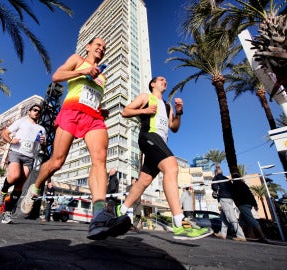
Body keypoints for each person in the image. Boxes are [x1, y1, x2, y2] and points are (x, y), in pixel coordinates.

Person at [20, 37, 131, 240]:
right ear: (88, 46)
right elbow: (57, 76)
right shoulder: (78, 60)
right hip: (71, 112)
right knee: (57, 162)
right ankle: (35, 189)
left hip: (93, 118)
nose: (101, 48)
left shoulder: (102, 76)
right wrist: (82, 71)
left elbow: (91, 96)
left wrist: (100, 109)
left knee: (100, 160)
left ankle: (98, 215)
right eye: (98, 44)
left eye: (104, 47)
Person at [116, 76, 212, 240]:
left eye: (166, 80)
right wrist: (144, 111)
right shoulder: (146, 97)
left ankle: (121, 210)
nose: (165, 81)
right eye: (161, 79)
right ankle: (179, 223)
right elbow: (126, 111)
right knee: (172, 167)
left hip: (159, 142)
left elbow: (173, 127)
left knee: (144, 181)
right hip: (148, 136)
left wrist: (179, 112)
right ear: (153, 84)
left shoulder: (167, 106)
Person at [0, 104, 46, 224]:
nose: (37, 112)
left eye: (39, 111)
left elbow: (43, 147)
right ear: (29, 111)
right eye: (35, 110)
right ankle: (3, 192)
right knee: (14, 176)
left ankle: (7, 213)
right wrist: (11, 140)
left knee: (19, 186)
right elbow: (4, 133)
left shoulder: (41, 129)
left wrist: (43, 143)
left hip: (30, 157)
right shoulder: (21, 122)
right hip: (17, 152)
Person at [231, 173, 268, 243]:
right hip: (248, 204)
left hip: (243, 205)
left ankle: (263, 236)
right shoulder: (244, 185)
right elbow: (250, 194)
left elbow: (234, 194)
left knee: (251, 220)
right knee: (242, 221)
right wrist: (255, 204)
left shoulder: (235, 186)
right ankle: (241, 236)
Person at [212, 168, 246, 241]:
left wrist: (216, 193)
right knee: (223, 216)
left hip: (224, 198)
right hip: (230, 198)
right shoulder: (227, 179)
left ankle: (241, 235)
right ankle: (223, 233)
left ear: (215, 173)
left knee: (231, 217)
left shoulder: (216, 177)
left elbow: (214, 187)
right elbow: (232, 189)